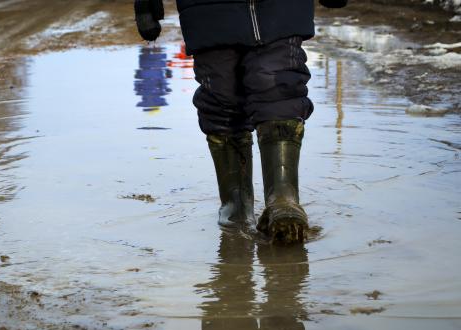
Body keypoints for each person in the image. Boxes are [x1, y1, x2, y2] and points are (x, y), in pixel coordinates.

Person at [135, 0, 348, 244]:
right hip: (207, 11)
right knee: (222, 96)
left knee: (278, 82)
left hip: (279, 9)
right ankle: (236, 207)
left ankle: (282, 198)